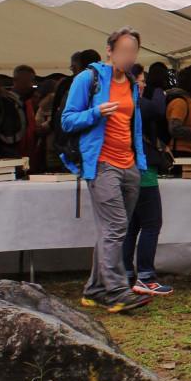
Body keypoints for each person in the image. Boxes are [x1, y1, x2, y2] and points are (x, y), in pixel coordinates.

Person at [59, 29, 150, 314]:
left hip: (129, 164)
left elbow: (133, 124)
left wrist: (139, 161)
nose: (128, 56)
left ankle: (96, 290)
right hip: (101, 163)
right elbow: (67, 120)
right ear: (109, 51)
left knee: (112, 230)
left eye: (133, 51)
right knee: (116, 226)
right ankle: (117, 290)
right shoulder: (88, 79)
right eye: (123, 50)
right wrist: (96, 112)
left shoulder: (133, 84)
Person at [124, 67, 173, 296]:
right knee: (151, 224)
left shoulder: (117, 104)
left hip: (124, 171)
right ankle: (145, 276)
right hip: (142, 172)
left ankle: (124, 273)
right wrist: (160, 90)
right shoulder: (135, 103)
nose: (144, 85)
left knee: (132, 226)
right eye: (141, 81)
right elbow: (158, 109)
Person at [166, 66, 191, 157]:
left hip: (188, 150)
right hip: (181, 151)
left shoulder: (189, 100)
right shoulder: (180, 102)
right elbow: (174, 129)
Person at [12, 65, 39, 160]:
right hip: (15, 156)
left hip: (29, 157)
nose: (30, 85)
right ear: (15, 81)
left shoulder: (28, 102)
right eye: (26, 82)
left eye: (32, 81)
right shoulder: (9, 102)